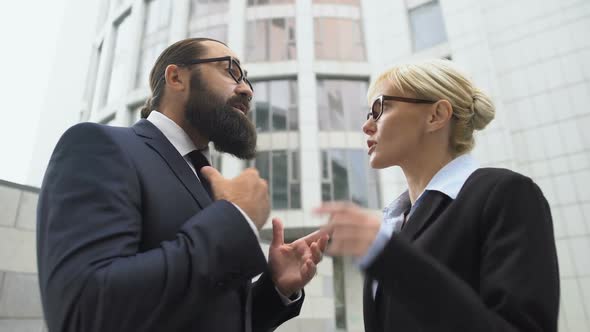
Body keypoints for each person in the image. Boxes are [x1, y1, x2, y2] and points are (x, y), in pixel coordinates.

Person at [37, 37, 328, 332]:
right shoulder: (99, 146)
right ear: (176, 77)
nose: (246, 90)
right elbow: (84, 313)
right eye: (230, 71)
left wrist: (274, 289)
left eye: (247, 80)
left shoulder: (205, 179)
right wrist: (236, 220)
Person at [315, 59, 559, 332]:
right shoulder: (392, 225)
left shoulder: (506, 194)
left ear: (436, 115)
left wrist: (390, 257)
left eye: (379, 108)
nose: (367, 126)